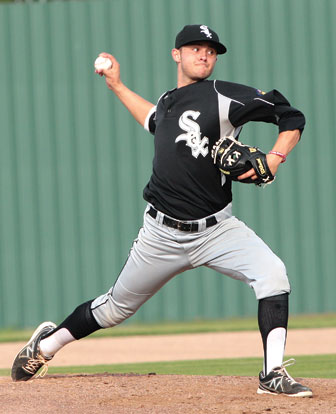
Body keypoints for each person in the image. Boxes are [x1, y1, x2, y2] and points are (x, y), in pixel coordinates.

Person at [11, 24, 312, 397]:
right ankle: (42, 348)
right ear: (177, 54)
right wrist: (118, 86)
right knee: (113, 310)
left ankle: (272, 374)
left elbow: (291, 117)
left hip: (217, 230)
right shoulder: (169, 101)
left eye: (211, 50)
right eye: (195, 48)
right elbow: (154, 120)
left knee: (273, 275)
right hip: (160, 234)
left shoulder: (224, 96)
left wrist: (275, 157)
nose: (204, 55)